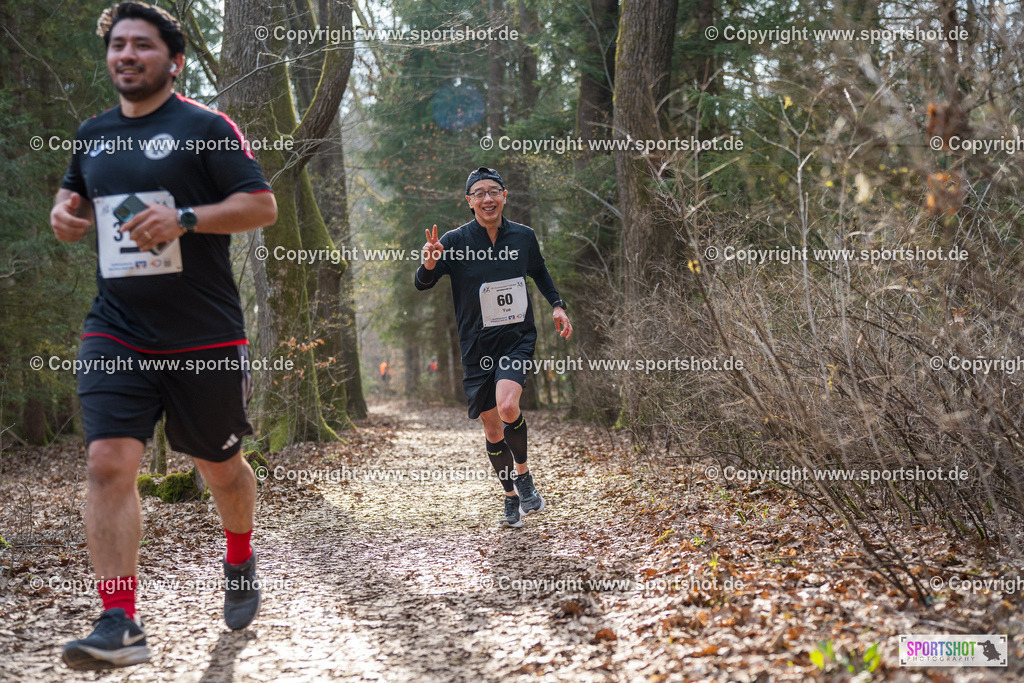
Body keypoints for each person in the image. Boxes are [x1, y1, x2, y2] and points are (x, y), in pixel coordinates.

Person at [48, 2, 277, 670]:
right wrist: (66, 216)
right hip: (116, 329)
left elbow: (261, 205)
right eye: (117, 45)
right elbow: (73, 202)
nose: (126, 55)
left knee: (220, 466)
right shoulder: (92, 135)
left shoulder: (205, 127)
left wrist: (185, 215)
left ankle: (239, 554)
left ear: (172, 61)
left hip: (203, 335)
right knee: (108, 463)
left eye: (141, 45)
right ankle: (119, 620)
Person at [414, 167, 571, 528]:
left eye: (494, 191)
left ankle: (524, 475)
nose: (488, 198)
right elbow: (423, 283)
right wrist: (430, 262)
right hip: (475, 345)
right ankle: (510, 497)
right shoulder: (452, 242)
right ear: (469, 201)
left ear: (505, 197)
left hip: (516, 338)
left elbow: (540, 272)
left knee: (507, 405)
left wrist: (557, 305)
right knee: (492, 431)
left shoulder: (524, 237)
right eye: (480, 193)